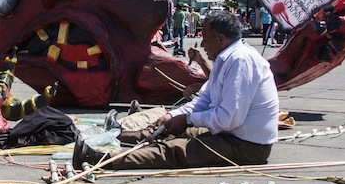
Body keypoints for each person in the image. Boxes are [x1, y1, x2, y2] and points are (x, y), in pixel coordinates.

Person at [74, 11, 279, 169]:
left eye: (205, 39)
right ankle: (114, 135)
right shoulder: (226, 60)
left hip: (246, 146)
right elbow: (203, 101)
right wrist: (173, 116)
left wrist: (188, 120)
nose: (202, 44)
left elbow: (229, 119)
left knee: (174, 150)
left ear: (220, 39)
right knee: (167, 131)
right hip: (229, 134)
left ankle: (102, 159)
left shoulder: (241, 61)